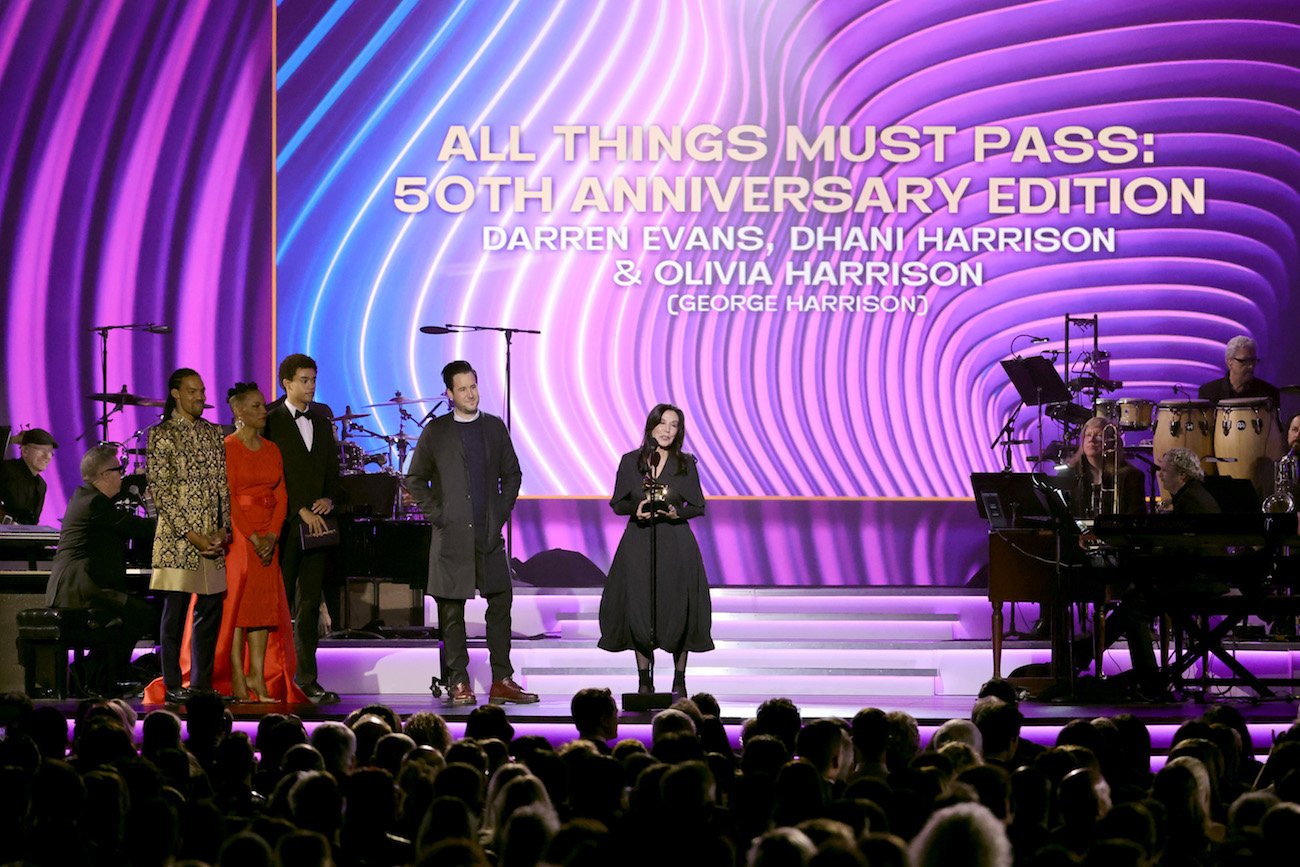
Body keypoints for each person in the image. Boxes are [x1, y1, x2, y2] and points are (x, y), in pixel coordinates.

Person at [404, 359, 535, 706]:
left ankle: (502, 679)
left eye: (473, 386)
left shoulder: (493, 427)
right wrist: (439, 514)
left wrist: (500, 512)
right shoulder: (436, 431)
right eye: (462, 388)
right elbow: (415, 478)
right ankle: (459, 681)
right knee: (451, 611)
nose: (470, 394)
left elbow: (512, 474)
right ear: (449, 394)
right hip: (452, 536)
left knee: (501, 604)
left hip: (489, 534)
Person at [598, 403, 713, 699]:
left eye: (674, 425)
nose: (667, 430)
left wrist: (677, 514)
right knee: (640, 605)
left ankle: (679, 679)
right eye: (663, 423)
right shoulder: (631, 461)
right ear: (651, 425)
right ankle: (643, 680)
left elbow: (698, 507)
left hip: (675, 544)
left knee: (677, 606)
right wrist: (635, 510)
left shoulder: (686, 463)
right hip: (639, 542)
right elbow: (617, 504)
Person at [145, 368, 230, 704]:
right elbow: (161, 492)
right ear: (176, 393)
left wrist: (224, 529)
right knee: (175, 614)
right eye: (193, 391)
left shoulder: (213, 433)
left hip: (212, 537)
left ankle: (201, 683)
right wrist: (192, 534)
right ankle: (171, 683)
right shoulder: (161, 434)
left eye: (203, 391)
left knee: (210, 611)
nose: (200, 397)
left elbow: (223, 485)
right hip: (179, 541)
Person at [219, 382, 308, 704]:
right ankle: (238, 678)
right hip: (242, 538)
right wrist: (254, 536)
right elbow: (227, 499)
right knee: (238, 610)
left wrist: (271, 534)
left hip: (269, 534)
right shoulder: (227, 447)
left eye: (262, 406)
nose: (263, 412)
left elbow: (281, 494)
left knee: (261, 608)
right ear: (238, 411)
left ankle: (257, 674)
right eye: (255, 407)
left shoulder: (272, 449)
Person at [44, 444, 156, 696]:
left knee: (127, 615)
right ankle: (95, 672)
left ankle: (105, 674)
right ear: (105, 475)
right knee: (142, 614)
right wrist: (156, 508)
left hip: (80, 584)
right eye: (119, 470)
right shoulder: (95, 503)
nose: (123, 476)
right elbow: (140, 528)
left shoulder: (83, 496)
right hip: (80, 588)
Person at [263, 354, 343, 704]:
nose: (311, 386)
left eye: (314, 379)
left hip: (317, 526)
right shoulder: (270, 419)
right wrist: (298, 509)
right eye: (304, 380)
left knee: (309, 603)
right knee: (276, 602)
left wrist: (328, 500)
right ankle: (272, 676)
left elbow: (332, 470)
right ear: (287, 383)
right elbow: (270, 473)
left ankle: (307, 678)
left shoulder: (322, 420)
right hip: (282, 525)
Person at [1055, 417, 1147, 517]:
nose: (1092, 439)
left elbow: (1136, 517)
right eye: (1088, 435)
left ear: (1113, 442)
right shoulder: (1067, 475)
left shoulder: (1132, 476)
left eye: (1099, 435)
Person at [1197, 335, 1282, 406]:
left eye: (1253, 360)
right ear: (1229, 362)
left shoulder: (1268, 394)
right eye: (1244, 361)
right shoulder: (1208, 393)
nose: (1251, 366)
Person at [0, 427, 57, 524]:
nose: (47, 456)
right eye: (42, 450)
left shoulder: (41, 485)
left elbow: (33, 522)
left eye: (51, 452)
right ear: (25, 450)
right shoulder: (4, 470)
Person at [1159, 447, 1222, 514]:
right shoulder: (1192, 491)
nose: (1160, 475)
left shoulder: (1190, 501)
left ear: (1182, 474)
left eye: (1164, 470)